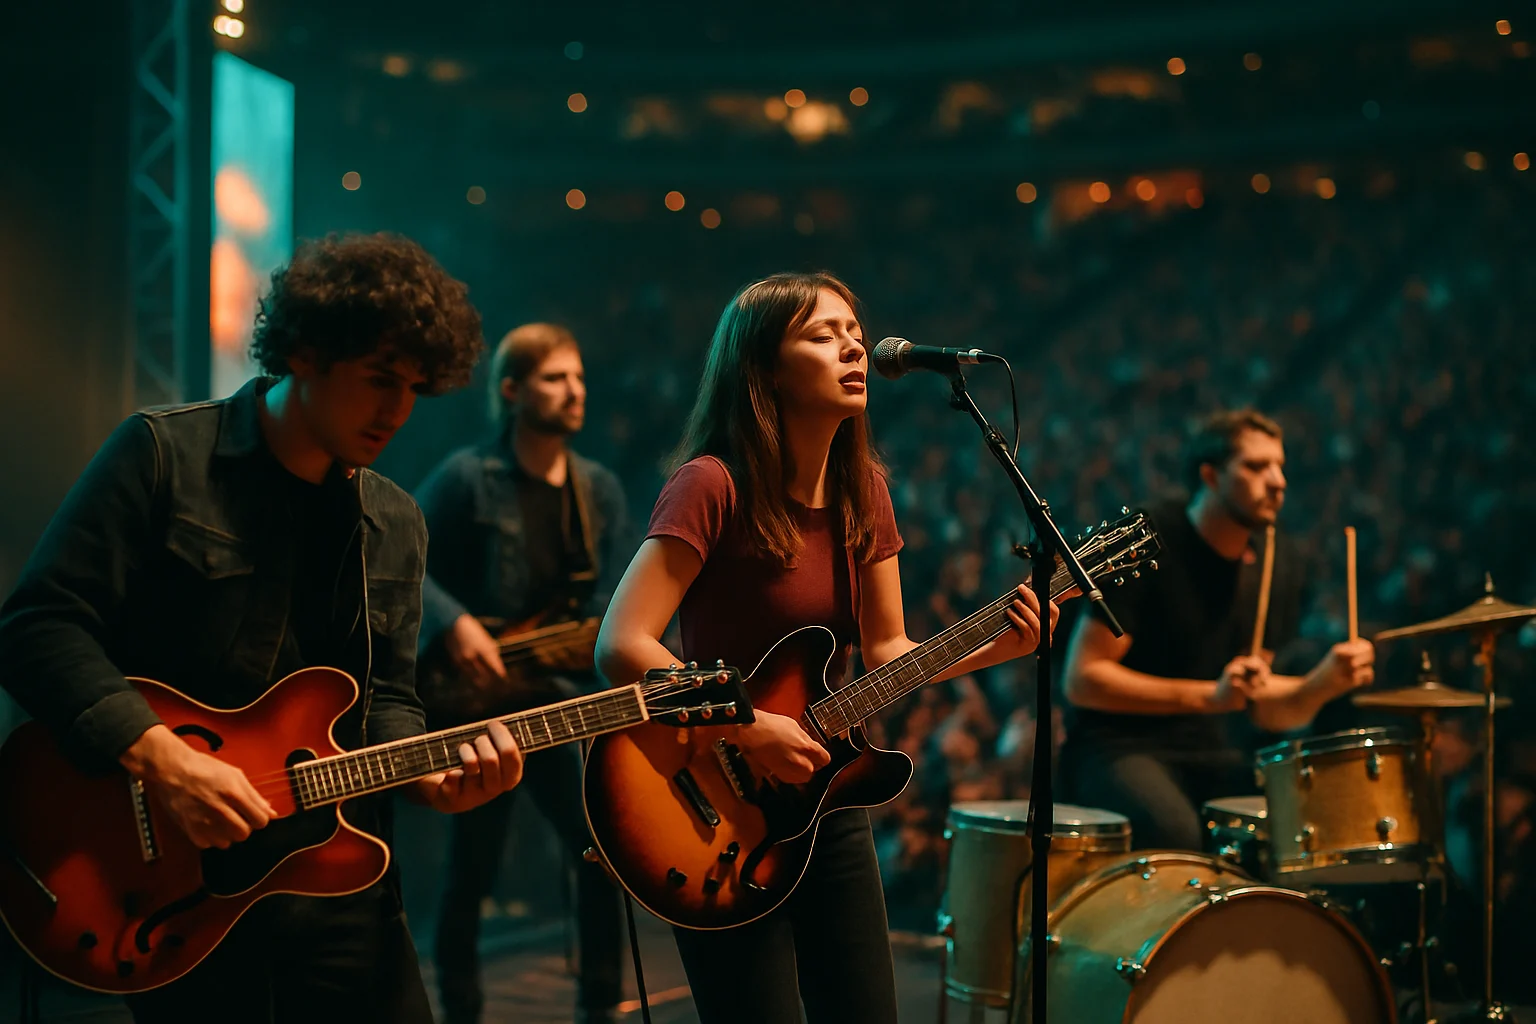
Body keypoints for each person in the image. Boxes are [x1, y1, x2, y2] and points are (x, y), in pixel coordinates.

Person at [0, 233, 525, 1023]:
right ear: (306, 352)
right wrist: (165, 762)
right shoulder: (163, 455)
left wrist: (432, 780)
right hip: (175, 878)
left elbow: (385, 698)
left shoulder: (394, 519)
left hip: (341, 881)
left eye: (415, 387)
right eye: (380, 380)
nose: (398, 412)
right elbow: (36, 627)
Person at [593, 271, 1058, 1024]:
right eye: (822, 334)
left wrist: (995, 647)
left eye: (853, 332)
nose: (854, 347)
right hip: (715, 806)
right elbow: (621, 643)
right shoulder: (711, 485)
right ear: (765, 368)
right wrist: (749, 727)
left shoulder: (864, 491)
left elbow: (887, 650)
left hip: (826, 798)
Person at [415, 323, 628, 1024]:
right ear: (511, 391)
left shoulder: (596, 489)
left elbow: (612, 599)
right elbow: (401, 563)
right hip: (476, 702)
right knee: (472, 868)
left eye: (580, 378)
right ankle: (461, 1010)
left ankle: (599, 1004)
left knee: (603, 849)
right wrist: (453, 622)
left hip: (558, 704)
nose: (576, 391)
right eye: (556, 378)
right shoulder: (465, 478)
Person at [1060, 408, 1376, 850]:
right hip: (1116, 745)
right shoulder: (1143, 540)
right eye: (1256, 466)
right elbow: (1083, 680)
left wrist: (1322, 684)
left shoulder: (1276, 561)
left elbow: (1260, 704)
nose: (1278, 481)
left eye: (1280, 466)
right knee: (1174, 833)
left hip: (1212, 748)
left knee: (1300, 829)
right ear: (1210, 475)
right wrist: (1211, 696)